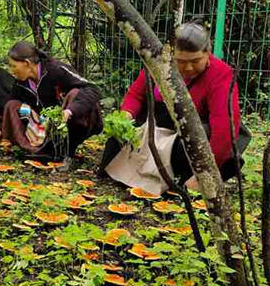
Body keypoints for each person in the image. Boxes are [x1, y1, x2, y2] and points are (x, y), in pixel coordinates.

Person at [99, 20, 251, 192]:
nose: (188, 67)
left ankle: (183, 180)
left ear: (207, 53)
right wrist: (126, 115)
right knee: (121, 135)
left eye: (195, 61)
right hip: (158, 123)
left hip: (190, 131)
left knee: (198, 139)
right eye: (181, 61)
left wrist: (205, 175)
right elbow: (136, 95)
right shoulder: (158, 63)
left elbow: (224, 129)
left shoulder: (221, 75)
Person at [0, 41, 103, 161]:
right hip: (43, 127)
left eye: (14, 66)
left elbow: (93, 89)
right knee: (12, 105)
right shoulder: (21, 83)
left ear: (27, 63)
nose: (11, 71)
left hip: (69, 123)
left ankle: (68, 151)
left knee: (75, 94)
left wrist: (70, 111)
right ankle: (37, 151)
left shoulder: (56, 70)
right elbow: (10, 107)